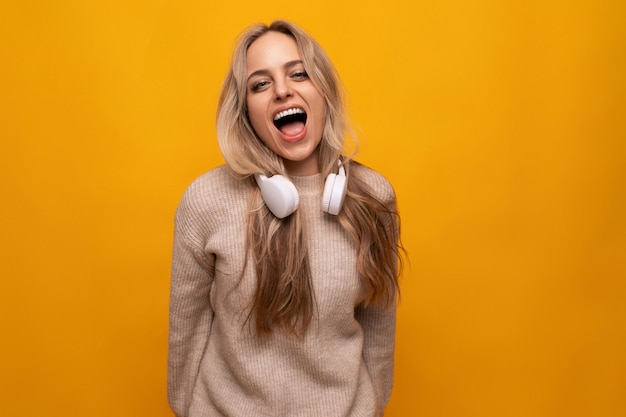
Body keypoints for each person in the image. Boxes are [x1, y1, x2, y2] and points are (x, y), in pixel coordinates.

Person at [168, 20, 403, 417]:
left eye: (299, 74)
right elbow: (186, 335)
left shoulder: (373, 197)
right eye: (260, 84)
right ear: (245, 111)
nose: (282, 91)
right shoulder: (206, 201)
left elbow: (379, 329)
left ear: (323, 90)